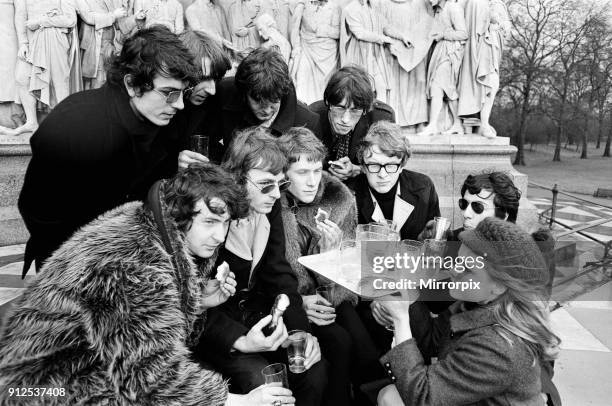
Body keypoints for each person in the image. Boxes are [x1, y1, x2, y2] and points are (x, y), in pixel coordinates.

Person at [0, 164, 296, 406]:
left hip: (78, 368)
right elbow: (150, 378)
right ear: (180, 214)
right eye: (209, 221)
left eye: (226, 222)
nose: (220, 235)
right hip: (36, 389)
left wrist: (199, 300)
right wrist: (239, 402)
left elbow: (146, 337)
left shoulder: (151, 226)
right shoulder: (135, 264)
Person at [17, 26, 199, 275]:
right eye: (169, 93)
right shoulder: (74, 121)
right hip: (72, 267)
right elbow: (37, 208)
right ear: (133, 84)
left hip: (132, 263)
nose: (178, 104)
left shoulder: (167, 123)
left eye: (182, 93)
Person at [194, 127, 327, 406]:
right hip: (214, 331)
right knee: (262, 380)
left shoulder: (269, 207)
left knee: (313, 368)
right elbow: (195, 303)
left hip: (258, 319)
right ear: (238, 179)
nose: (276, 195)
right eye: (266, 185)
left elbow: (279, 275)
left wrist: (298, 332)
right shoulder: (212, 217)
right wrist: (241, 339)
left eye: (281, 185)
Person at [376, 217, 561, 406]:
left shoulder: (498, 346)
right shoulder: (478, 302)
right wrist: (404, 297)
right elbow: (432, 341)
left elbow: (423, 397)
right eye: (458, 260)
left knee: (389, 397)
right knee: (388, 395)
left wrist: (400, 318)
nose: (455, 270)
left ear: (499, 286)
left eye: (468, 268)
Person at [354, 120, 441, 352]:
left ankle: (419, 377)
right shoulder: (351, 194)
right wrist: (375, 298)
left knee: (417, 319)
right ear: (362, 166)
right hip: (367, 288)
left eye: (391, 165)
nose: (382, 175)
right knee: (369, 328)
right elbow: (348, 258)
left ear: (402, 164)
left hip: (412, 283)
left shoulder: (423, 188)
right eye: (373, 165)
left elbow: (433, 249)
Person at [205, 47, 319, 162]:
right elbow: (206, 142)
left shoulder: (307, 121)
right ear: (244, 93)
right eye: (258, 101)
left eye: (274, 101)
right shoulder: (223, 93)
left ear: (283, 92)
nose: (267, 110)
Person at [310, 65, 395, 184]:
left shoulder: (382, 118)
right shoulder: (312, 117)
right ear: (328, 102)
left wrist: (359, 169)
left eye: (355, 111)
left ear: (365, 110)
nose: (345, 119)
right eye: (340, 108)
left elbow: (390, 164)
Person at [420, 0, 467, 136]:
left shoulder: (453, 8)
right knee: (448, 91)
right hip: (439, 52)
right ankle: (457, 124)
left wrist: (443, 35)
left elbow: (463, 33)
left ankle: (433, 125)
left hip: (450, 53)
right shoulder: (437, 11)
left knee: (437, 87)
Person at [289, 0, 341, 104]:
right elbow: (294, 30)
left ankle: (323, 107)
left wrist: (321, 29)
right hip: (306, 48)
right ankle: (301, 109)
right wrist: (296, 46)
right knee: (302, 78)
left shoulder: (335, 7)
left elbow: (339, 33)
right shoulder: (302, 6)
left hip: (328, 53)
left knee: (325, 86)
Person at [76, 0, 130, 89]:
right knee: (96, 81)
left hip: (110, 47)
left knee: (108, 80)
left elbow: (119, 24)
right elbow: (89, 17)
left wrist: (135, 19)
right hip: (94, 46)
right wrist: (113, 15)